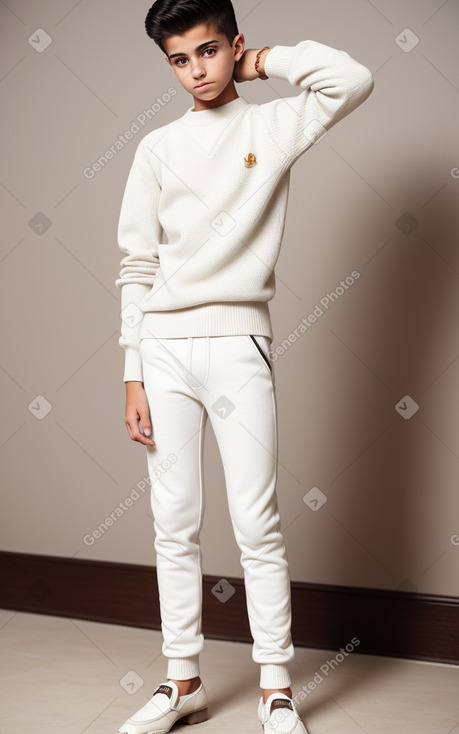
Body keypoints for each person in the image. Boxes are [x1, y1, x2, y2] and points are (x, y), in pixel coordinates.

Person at [115, 1, 374, 732]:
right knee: (174, 520)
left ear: (233, 46)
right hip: (162, 350)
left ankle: (274, 685)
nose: (195, 71)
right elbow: (136, 263)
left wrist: (264, 63)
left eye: (208, 51)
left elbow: (350, 80)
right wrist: (132, 370)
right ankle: (181, 680)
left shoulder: (272, 124)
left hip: (238, 346)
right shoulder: (157, 148)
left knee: (255, 520)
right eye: (179, 59)